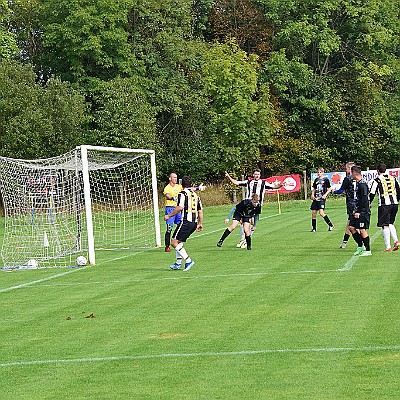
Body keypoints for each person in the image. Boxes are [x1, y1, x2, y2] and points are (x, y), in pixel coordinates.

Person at [224, 169, 283, 247]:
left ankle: (245, 240)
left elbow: (274, 186)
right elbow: (236, 182)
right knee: (243, 222)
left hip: (257, 206)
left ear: (260, 175)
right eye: (255, 174)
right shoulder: (248, 182)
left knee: (253, 224)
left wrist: (282, 185)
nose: (257, 175)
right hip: (247, 206)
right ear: (253, 175)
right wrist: (228, 176)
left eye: (258, 174)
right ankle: (243, 240)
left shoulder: (263, 183)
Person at [164, 175, 203, 271]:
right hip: (193, 223)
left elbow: (180, 207)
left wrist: (169, 216)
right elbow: (200, 211)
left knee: (173, 242)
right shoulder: (195, 195)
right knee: (179, 241)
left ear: (182, 185)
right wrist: (200, 223)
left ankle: (188, 260)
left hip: (185, 221)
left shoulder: (182, 194)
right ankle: (178, 263)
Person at [369, 163, 400, 252]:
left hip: (384, 204)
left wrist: (369, 202)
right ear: (385, 170)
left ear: (377, 171)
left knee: (384, 225)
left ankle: (388, 247)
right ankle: (396, 241)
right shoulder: (393, 178)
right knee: (390, 223)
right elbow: (398, 189)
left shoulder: (377, 180)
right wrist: (397, 200)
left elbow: (372, 193)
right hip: (394, 203)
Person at [328, 162, 356, 248]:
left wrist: (333, 191)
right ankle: (345, 242)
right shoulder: (359, 177)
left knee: (351, 223)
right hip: (359, 203)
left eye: (347, 168)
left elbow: (341, 191)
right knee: (355, 223)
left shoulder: (347, 179)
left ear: (350, 169)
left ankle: (350, 243)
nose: (346, 170)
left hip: (351, 203)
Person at [349, 165, 372, 256]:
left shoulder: (362, 184)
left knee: (362, 229)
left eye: (351, 173)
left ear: (354, 173)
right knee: (351, 227)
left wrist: (359, 211)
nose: (350, 175)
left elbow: (365, 199)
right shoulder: (357, 183)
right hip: (356, 210)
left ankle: (368, 250)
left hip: (363, 211)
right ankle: (360, 246)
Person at [310, 167, 334, 232]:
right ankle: (314, 228)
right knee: (314, 213)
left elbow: (329, 188)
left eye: (320, 172)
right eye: (318, 172)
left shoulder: (326, 180)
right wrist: (312, 194)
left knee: (321, 213)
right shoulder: (316, 180)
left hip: (321, 199)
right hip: (316, 198)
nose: (319, 173)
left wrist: (325, 194)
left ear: (323, 173)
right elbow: (314, 188)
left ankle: (331, 225)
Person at [163, 172, 182, 252]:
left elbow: (188, 189)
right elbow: (167, 195)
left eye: (176, 177)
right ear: (170, 178)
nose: (175, 179)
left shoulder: (179, 186)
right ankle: (167, 246)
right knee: (169, 228)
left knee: (181, 225)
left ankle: (177, 241)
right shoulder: (167, 188)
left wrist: (198, 188)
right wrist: (172, 198)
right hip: (170, 208)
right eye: (174, 177)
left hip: (178, 209)